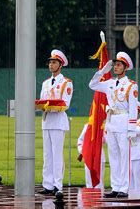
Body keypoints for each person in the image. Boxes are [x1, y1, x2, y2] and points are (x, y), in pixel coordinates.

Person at [89, 51, 138, 199]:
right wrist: (103, 71)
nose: (115, 67)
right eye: (115, 65)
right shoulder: (109, 83)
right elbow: (92, 85)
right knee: (114, 156)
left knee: (124, 156)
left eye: (118, 65)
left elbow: (133, 108)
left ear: (125, 67)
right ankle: (115, 187)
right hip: (111, 123)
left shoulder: (131, 85)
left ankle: (124, 188)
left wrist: (131, 129)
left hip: (123, 121)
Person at [38, 49, 73, 196]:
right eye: (50, 62)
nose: (51, 65)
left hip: (58, 120)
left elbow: (65, 103)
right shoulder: (45, 83)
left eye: (54, 62)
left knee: (57, 154)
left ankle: (57, 185)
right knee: (47, 155)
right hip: (47, 121)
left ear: (60, 65)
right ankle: (48, 185)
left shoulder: (66, 83)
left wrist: (49, 105)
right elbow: (41, 101)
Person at [76, 122, 105, 189]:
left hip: (99, 157)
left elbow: (107, 140)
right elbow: (80, 140)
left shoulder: (102, 126)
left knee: (99, 180)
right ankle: (89, 196)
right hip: (88, 156)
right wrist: (82, 151)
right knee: (89, 180)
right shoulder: (87, 126)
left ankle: (99, 196)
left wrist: (103, 134)